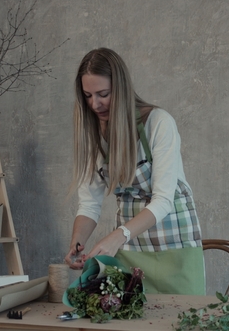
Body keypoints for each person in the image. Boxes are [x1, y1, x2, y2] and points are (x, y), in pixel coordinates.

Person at [64, 48, 205, 295]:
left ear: (121, 88)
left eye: (103, 94)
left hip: (175, 249)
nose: (95, 104)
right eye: (87, 96)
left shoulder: (159, 123)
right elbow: (89, 204)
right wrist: (78, 241)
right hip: (131, 253)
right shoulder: (93, 134)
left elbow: (163, 201)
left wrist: (117, 237)